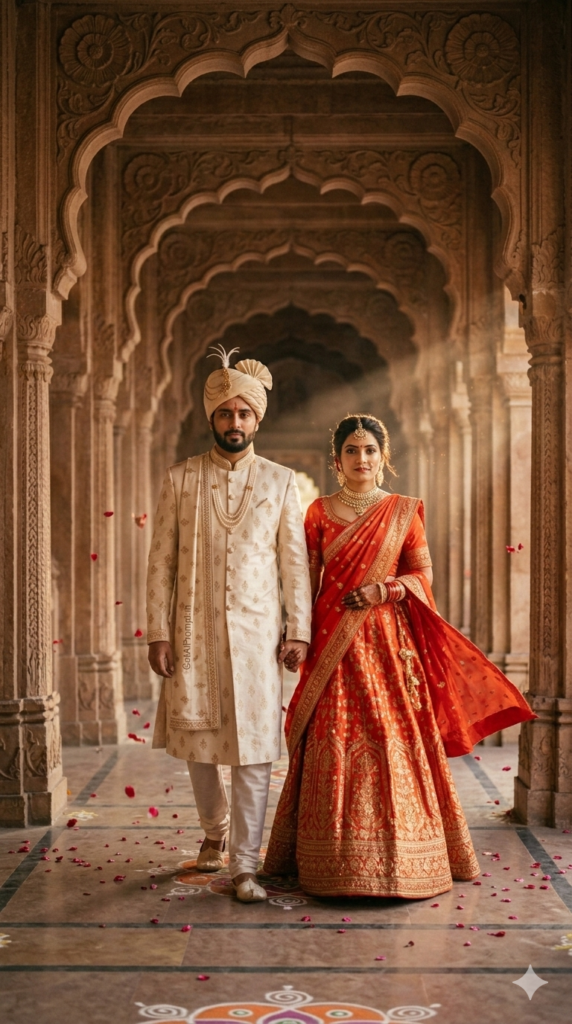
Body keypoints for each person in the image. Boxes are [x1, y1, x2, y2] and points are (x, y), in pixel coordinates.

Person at [264, 414, 535, 898]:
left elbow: (421, 579)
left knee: (391, 737)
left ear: (383, 458)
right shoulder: (318, 513)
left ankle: (407, 857)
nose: (361, 459)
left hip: (387, 644)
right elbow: (303, 583)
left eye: (369, 450)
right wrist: (297, 635)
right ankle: (328, 859)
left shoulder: (403, 512)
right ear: (337, 459)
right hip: (332, 647)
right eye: (351, 450)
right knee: (333, 736)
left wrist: (383, 590)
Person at [146, 346, 312, 902]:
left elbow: (294, 564)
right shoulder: (180, 479)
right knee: (197, 742)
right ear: (210, 418)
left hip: (258, 639)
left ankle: (244, 864)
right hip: (193, 634)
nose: (234, 422)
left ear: (256, 419)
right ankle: (215, 833)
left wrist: (299, 630)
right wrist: (159, 632)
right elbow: (161, 563)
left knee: (256, 746)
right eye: (224, 413)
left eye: (243, 413)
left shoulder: (281, 482)